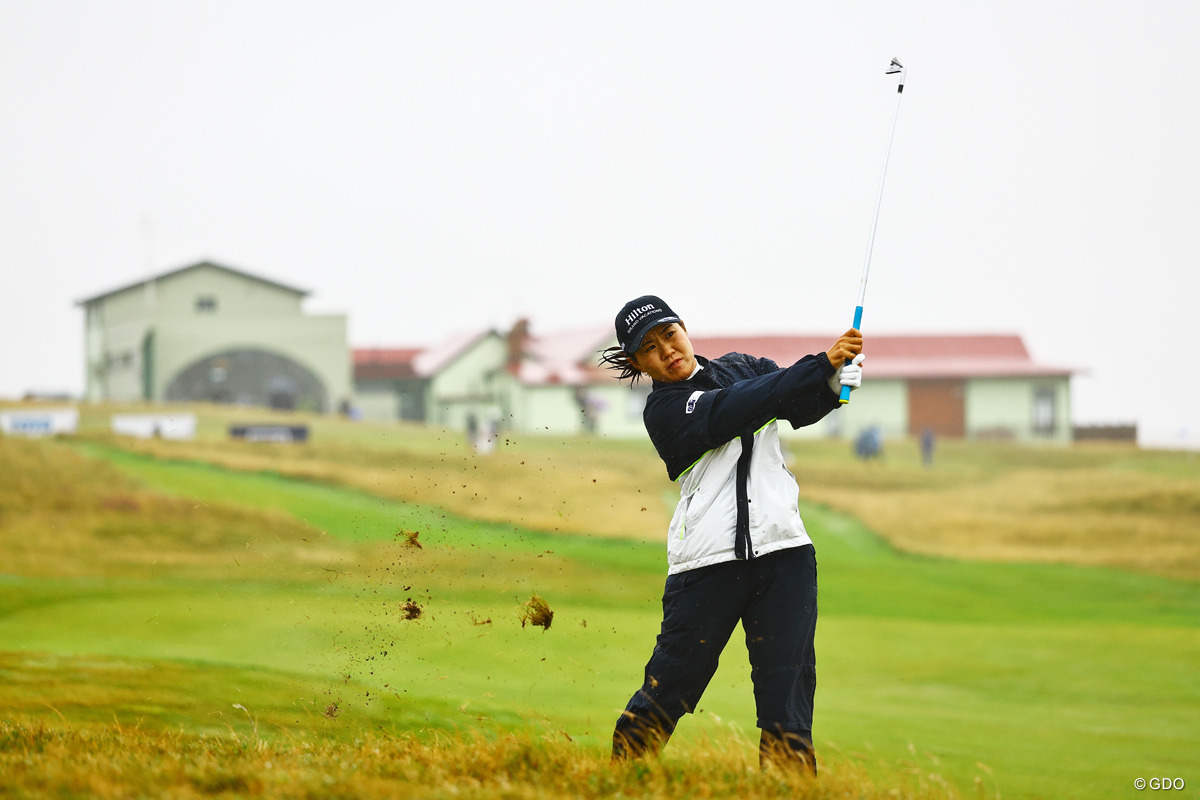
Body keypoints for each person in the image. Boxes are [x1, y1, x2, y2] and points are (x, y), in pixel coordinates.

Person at [599, 295, 863, 773]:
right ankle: (617, 780)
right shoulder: (664, 409)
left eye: (669, 335)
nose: (667, 351)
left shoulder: (742, 367)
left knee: (789, 695)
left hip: (786, 553)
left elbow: (798, 405)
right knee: (673, 685)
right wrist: (818, 363)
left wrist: (833, 381)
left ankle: (788, 788)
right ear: (638, 362)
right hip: (708, 564)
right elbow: (737, 407)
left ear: (683, 327)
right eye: (650, 348)